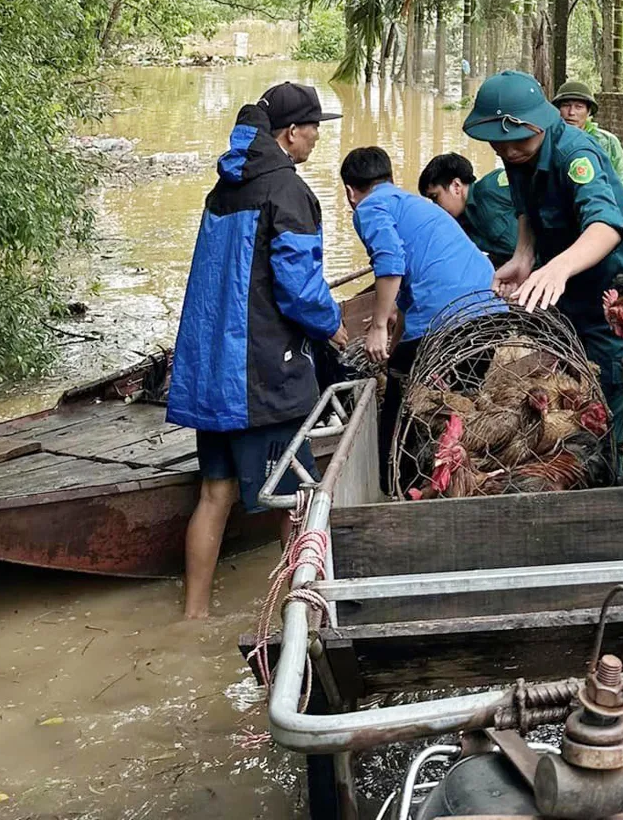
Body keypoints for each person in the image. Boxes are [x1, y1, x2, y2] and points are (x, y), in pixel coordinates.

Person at [166, 82, 345, 619]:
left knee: (214, 495)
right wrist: (332, 324)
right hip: (262, 377)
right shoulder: (288, 192)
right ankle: (302, 614)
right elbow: (297, 287)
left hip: (212, 372)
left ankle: (192, 619)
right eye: (313, 127)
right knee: (295, 502)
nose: (317, 137)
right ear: (291, 134)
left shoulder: (222, 191)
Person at [463, 70, 623, 456]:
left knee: (608, 391)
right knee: (568, 384)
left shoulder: (576, 155)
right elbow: (527, 212)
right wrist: (523, 257)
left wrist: (556, 268)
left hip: (611, 292)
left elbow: (607, 225)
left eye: (517, 143)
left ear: (540, 124)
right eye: (499, 146)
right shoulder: (517, 157)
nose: (508, 152)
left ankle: (607, 474)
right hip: (567, 293)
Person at [341, 146, 496, 495]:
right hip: (488, 310)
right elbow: (409, 289)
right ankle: (459, 476)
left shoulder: (369, 207)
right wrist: (394, 333)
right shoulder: (410, 205)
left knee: (399, 398)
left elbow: (390, 262)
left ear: (350, 191)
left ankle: (393, 481)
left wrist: (379, 326)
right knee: (461, 397)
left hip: (448, 314)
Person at [553, 80, 623, 224]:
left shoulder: (606, 141)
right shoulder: (549, 140)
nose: (571, 113)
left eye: (579, 107)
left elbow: (621, 178)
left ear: (588, 111)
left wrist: (620, 203)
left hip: (599, 206)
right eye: (566, 106)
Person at [417, 152, 519, 266]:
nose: (435, 206)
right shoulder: (458, 225)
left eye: (435, 197)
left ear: (456, 186)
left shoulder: (492, 187)